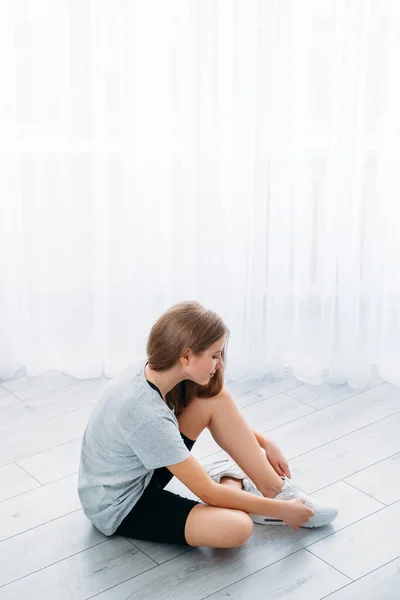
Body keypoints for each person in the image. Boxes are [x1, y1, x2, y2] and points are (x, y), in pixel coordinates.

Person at [78, 301, 338, 548]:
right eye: (214, 356)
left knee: (214, 399)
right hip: (121, 504)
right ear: (186, 356)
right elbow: (207, 493)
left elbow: (175, 427)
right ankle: (240, 483)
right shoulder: (146, 414)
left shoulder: (150, 370)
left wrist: (264, 442)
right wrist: (284, 513)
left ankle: (276, 491)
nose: (219, 364)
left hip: (140, 470)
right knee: (238, 528)